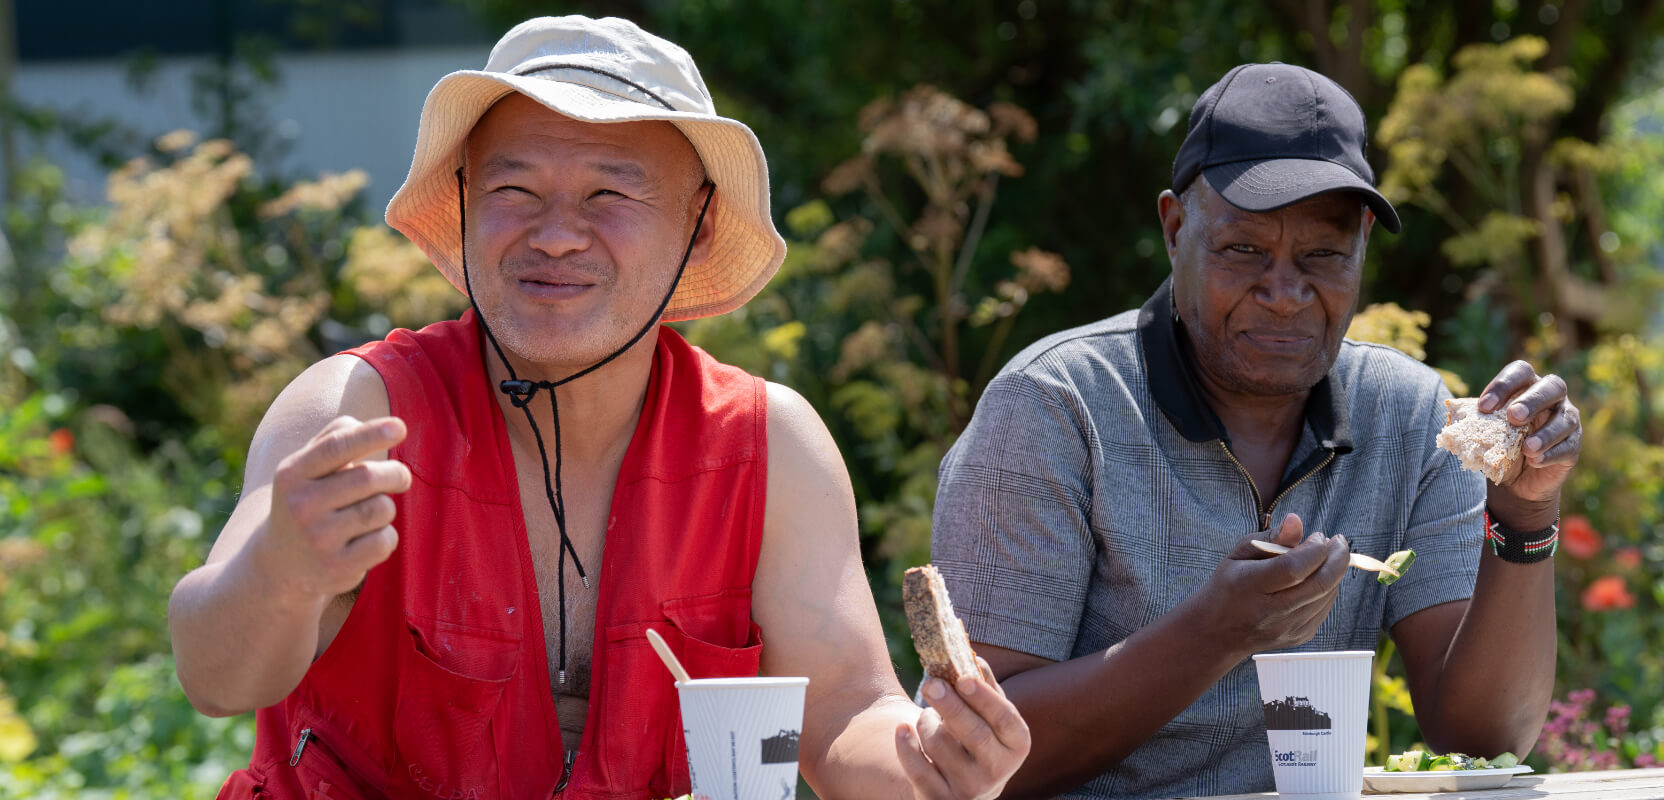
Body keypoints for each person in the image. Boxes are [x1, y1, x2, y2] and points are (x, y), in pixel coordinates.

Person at [168, 16, 1028, 800]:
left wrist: (933, 766)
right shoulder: (357, 410)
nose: (555, 235)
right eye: (515, 191)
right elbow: (213, 678)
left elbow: (845, 712)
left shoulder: (767, 444)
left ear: (697, 222)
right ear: (464, 199)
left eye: (609, 196)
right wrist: (281, 569)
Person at [930, 62, 1582, 800]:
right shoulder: (1054, 406)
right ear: (1175, 228)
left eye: (1323, 256)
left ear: (1363, 243)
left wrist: (1526, 518)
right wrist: (1214, 633)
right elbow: (970, 755)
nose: (1284, 296)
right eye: (1244, 250)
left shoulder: (1407, 413)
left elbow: (1482, 739)